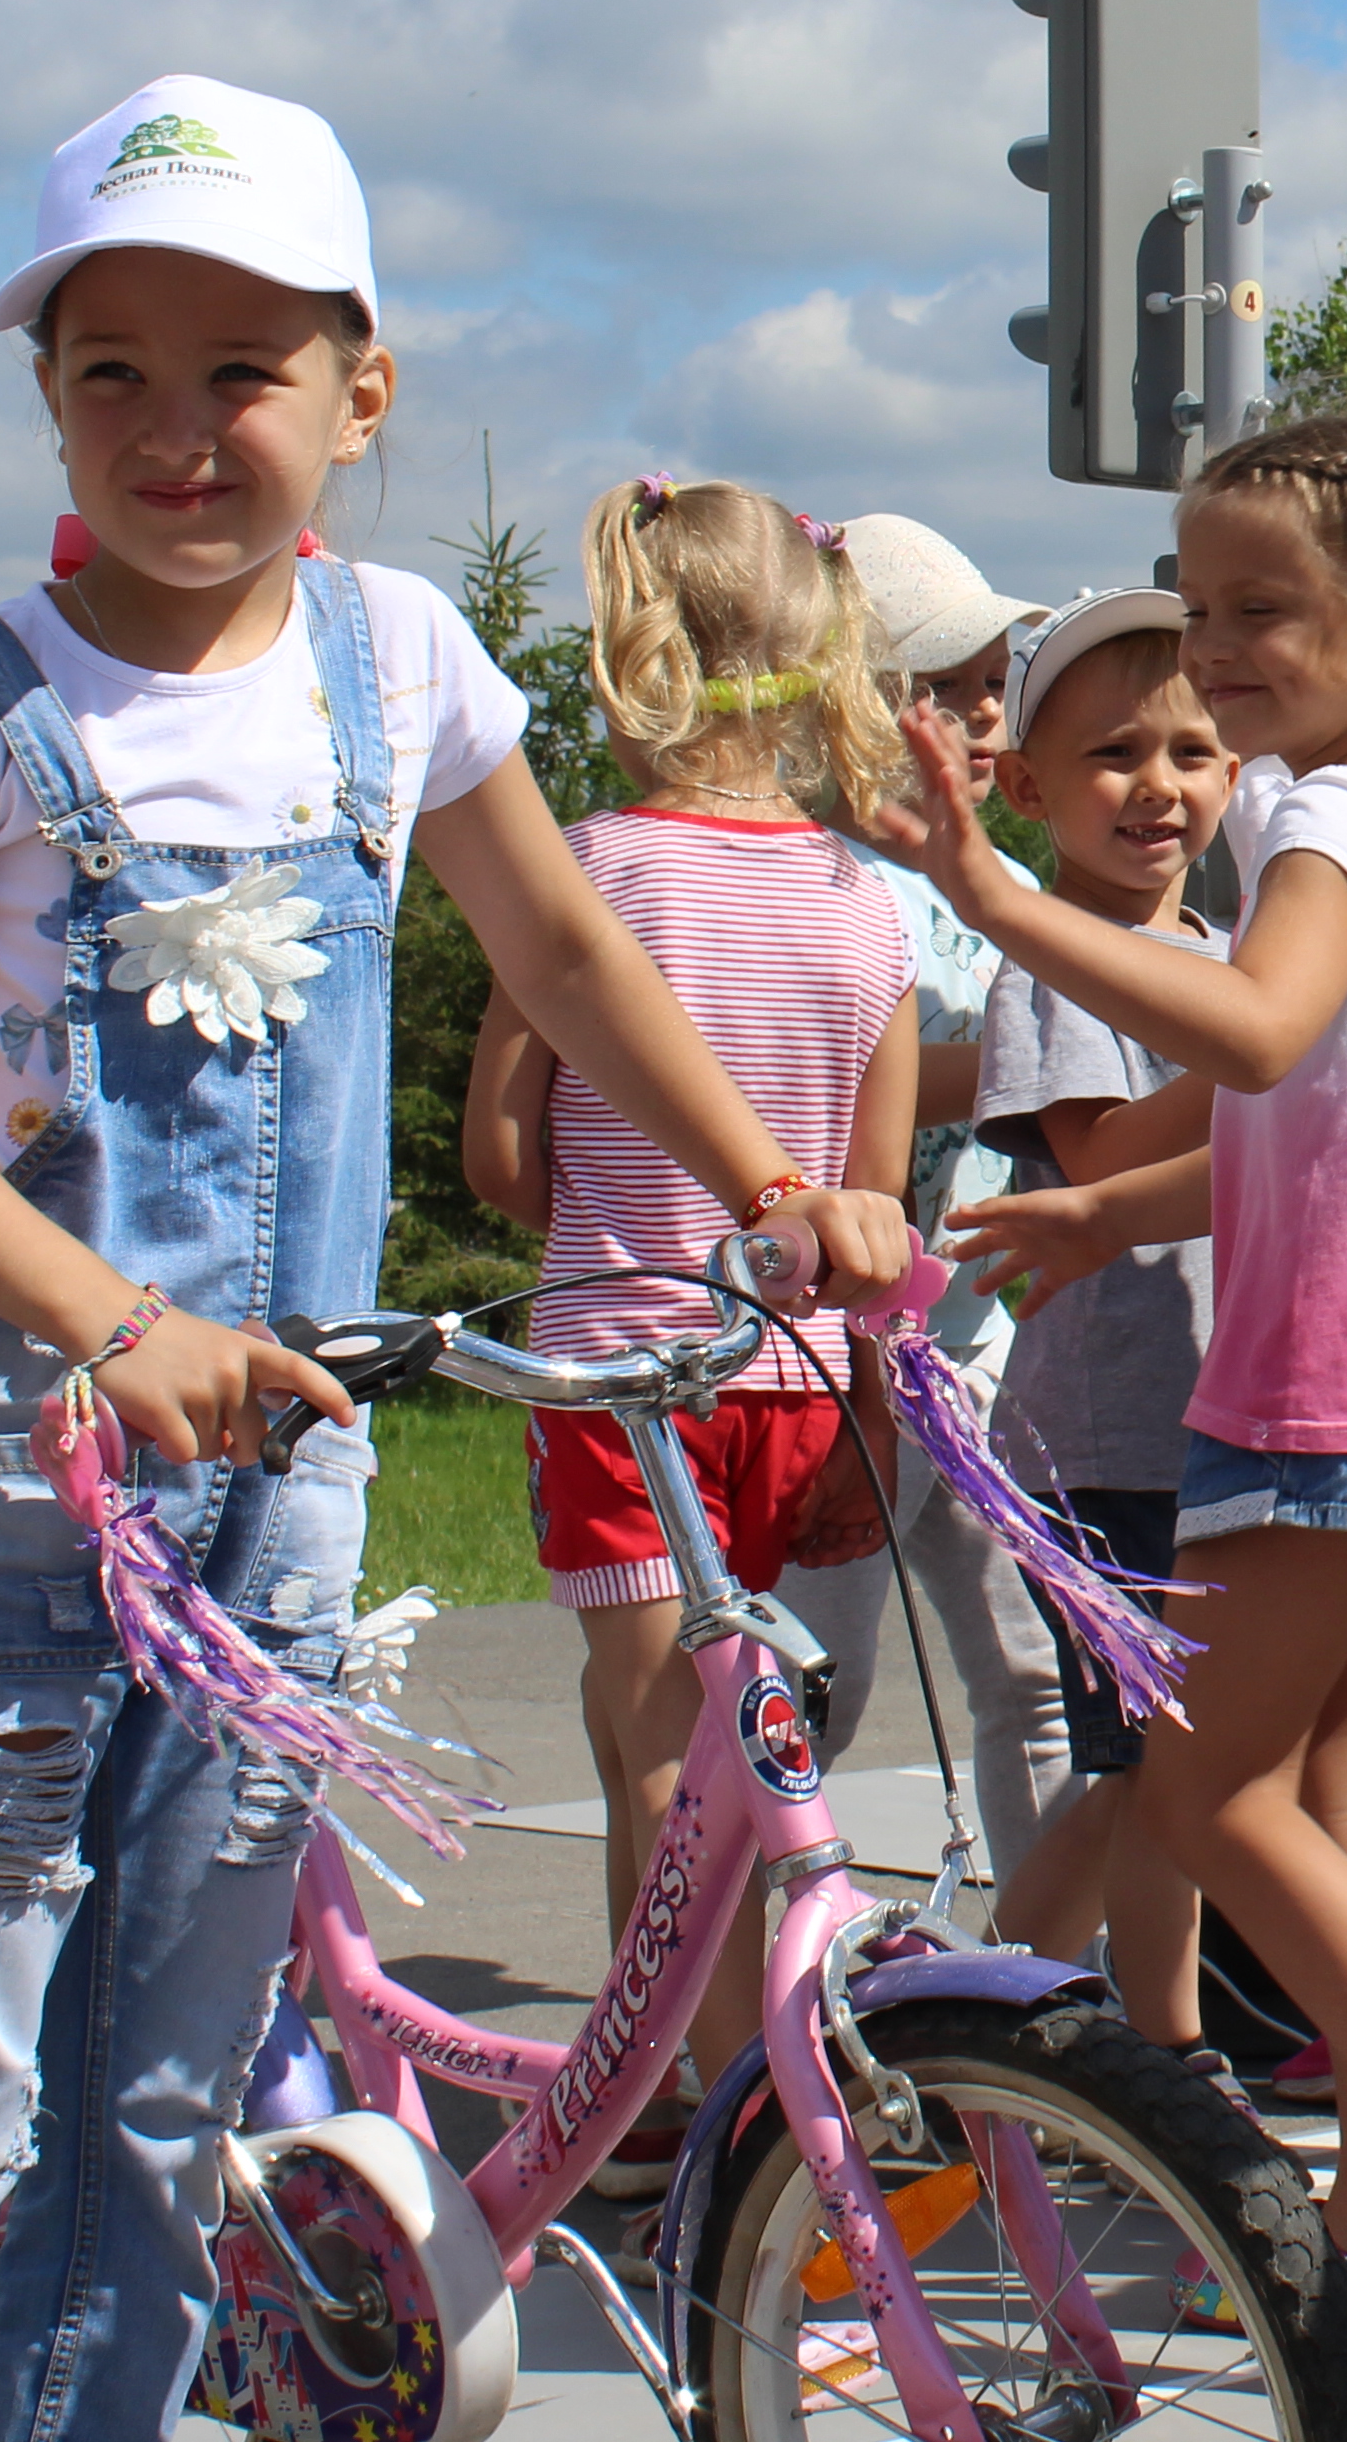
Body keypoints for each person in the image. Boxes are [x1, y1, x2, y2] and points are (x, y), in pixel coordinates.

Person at [0, 77, 903, 2442]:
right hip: (1, 1476)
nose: (181, 433)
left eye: (245, 374)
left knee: (163, 2109)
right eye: (116, 375)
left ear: (359, 396)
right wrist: (112, 1314)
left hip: (277, 1485)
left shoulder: (399, 663)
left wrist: (771, 1178)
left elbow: (574, 957)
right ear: (47, 392)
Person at [874, 409, 1347, 2387]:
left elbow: (1262, 1022)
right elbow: (1304, 1099)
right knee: (1327, 1785)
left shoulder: (1329, 824)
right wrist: (1107, 1209)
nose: (1213, 651)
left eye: (1257, 612)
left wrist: (994, 893)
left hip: (1329, 1400)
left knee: (1205, 1794)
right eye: (1200, 608)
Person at [460, 477, 919, 2153]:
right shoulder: (865, 905)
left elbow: (499, 1149)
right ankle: (771, 2079)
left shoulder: (582, 876)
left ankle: (678, 2103)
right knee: (763, 1748)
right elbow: (872, 1198)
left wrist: (606, 1205)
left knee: (647, 1744)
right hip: (798, 1376)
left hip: (619, 1374)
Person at [948, 586, 1224, 2052]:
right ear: (1027, 787)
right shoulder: (1049, 962)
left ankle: (1168, 2045)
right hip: (1111, 1437)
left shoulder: (1250, 957)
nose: (1159, 787)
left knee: (1176, 1769)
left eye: (1192, 748)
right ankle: (967, 2030)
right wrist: (1291, 1088)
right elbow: (1109, 1160)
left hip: (1221, 1431)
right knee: (1135, 1770)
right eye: (1117, 753)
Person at [786, 510, 1074, 1865]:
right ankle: (729, 1988)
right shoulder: (815, 884)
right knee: (807, 1697)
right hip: (840, 1363)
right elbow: (848, 1091)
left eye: (989, 687)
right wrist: (1042, 1066)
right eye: (951, 690)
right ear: (865, 703)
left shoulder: (993, 879)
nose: (985, 716)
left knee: (1036, 1679)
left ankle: (1040, 2001)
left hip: (975, 1348)